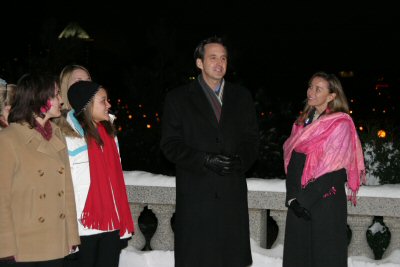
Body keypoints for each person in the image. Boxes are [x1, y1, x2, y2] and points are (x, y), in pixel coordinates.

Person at [160, 36, 259, 267]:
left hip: (231, 195)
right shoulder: (178, 98)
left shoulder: (241, 96)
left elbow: (252, 140)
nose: (219, 63)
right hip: (196, 195)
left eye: (223, 58)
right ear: (199, 63)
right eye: (213, 57)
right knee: (197, 258)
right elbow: (169, 145)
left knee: (231, 258)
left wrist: (240, 161)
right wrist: (204, 160)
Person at [282, 71, 366, 267]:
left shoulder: (340, 124)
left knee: (324, 258)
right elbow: (294, 163)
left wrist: (304, 200)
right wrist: (293, 198)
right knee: (299, 258)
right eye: (310, 86)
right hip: (298, 202)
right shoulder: (302, 122)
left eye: (318, 89)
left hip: (325, 202)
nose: (311, 92)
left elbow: (335, 171)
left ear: (331, 96)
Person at [0, 73, 80, 266]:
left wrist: (72, 236)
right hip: (23, 245)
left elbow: (67, 190)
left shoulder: (57, 135)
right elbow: (2, 199)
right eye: (56, 94)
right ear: (39, 98)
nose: (61, 100)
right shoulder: (9, 138)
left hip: (55, 241)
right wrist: (5, 247)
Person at [65, 80, 134, 267]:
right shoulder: (69, 138)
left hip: (111, 222)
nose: (109, 105)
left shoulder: (110, 133)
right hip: (83, 227)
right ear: (87, 105)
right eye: (104, 101)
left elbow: (116, 179)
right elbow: (64, 187)